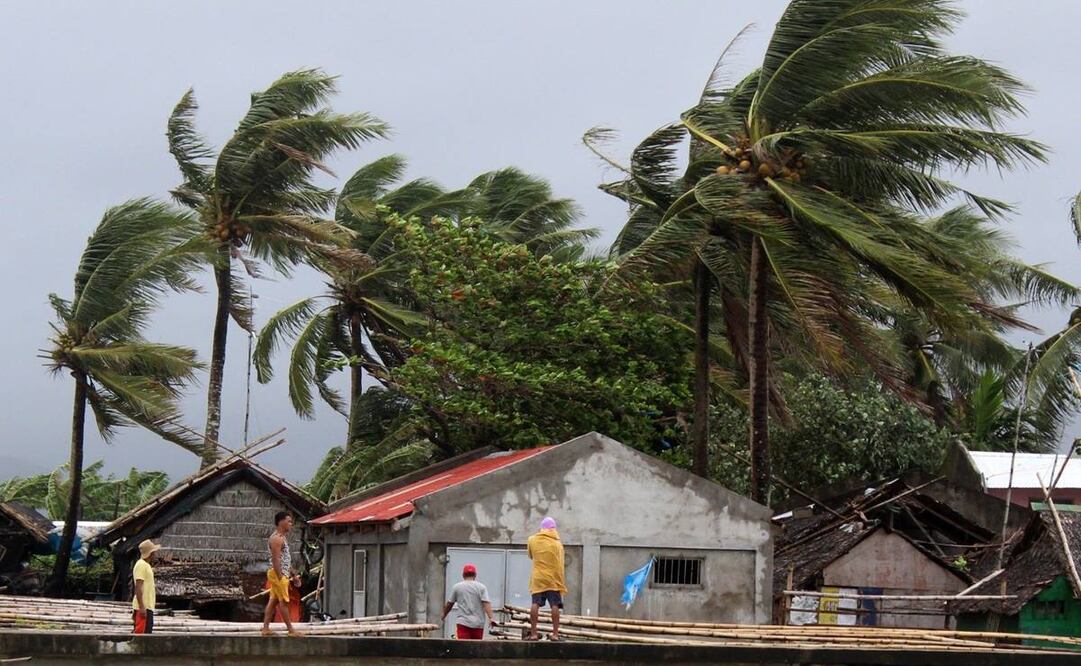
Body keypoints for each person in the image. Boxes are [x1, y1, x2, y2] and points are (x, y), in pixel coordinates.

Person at [262, 511, 302, 637]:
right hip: (278, 574)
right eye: (289, 521)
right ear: (281, 522)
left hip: (281, 573)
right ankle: (291, 630)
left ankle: (265, 628)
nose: (291, 524)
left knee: (273, 601)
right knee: (284, 602)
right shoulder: (276, 539)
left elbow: (285, 559)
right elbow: (276, 559)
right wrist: (280, 577)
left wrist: (293, 574)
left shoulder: (281, 538)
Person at [526, 517, 566, 641]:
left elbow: (530, 555)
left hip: (538, 578)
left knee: (535, 603)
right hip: (553, 579)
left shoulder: (532, 540)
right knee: (555, 604)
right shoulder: (557, 543)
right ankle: (555, 634)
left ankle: (533, 634)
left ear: (542, 528)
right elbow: (560, 562)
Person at [441, 563, 496, 639]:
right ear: (475, 575)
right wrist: (491, 618)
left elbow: (450, 604)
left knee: (463, 645)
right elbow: (486, 603)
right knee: (476, 645)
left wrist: (444, 614)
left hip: (463, 623)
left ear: (463, 575)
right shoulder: (481, 587)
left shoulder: (457, 587)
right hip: (478, 624)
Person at [132, 539, 160, 635]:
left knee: (147, 633)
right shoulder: (141, 565)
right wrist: (141, 606)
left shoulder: (146, 565)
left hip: (148, 606)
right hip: (144, 606)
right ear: (150, 553)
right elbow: (138, 586)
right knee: (141, 635)